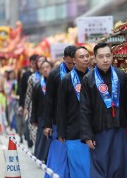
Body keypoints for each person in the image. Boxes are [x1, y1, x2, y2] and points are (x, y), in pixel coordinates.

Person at [80, 42, 127, 178]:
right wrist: (87, 135)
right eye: (101, 57)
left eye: (108, 56)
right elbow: (84, 109)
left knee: (119, 166)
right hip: (99, 131)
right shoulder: (88, 79)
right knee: (100, 167)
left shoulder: (121, 76)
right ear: (94, 59)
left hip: (119, 129)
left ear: (113, 56)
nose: (105, 60)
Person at [57, 46, 91, 177]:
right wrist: (61, 131)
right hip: (73, 130)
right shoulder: (66, 79)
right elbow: (61, 107)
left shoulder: (95, 77)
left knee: (91, 167)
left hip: (93, 130)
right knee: (77, 166)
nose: (85, 59)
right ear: (74, 60)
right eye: (81, 57)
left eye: (87, 56)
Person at [43, 45, 76, 178]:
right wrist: (47, 124)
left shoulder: (84, 73)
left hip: (77, 122)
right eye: (69, 63)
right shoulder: (55, 74)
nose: (72, 65)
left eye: (75, 62)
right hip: (59, 122)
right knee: (58, 155)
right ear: (64, 59)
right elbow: (49, 100)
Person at [31, 60, 52, 162]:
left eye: (47, 67)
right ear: (40, 70)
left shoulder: (56, 82)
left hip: (52, 115)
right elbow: (34, 103)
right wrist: (33, 118)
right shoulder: (38, 85)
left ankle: (49, 157)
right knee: (41, 136)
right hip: (41, 115)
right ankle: (41, 156)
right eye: (43, 68)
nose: (45, 69)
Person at [19, 54, 38, 147]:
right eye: (32, 63)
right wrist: (22, 106)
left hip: (39, 104)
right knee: (29, 123)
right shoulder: (27, 75)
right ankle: (30, 140)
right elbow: (23, 91)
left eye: (36, 63)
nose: (34, 65)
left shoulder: (41, 75)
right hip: (29, 103)